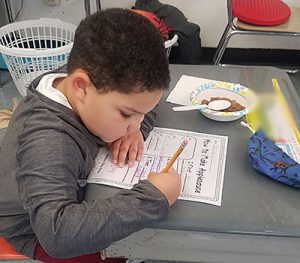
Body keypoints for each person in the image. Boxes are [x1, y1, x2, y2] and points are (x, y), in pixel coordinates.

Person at [0, 8, 181, 263]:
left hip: (74, 193)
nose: (134, 123)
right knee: (136, 249)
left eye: (142, 113)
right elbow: (58, 235)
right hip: (33, 232)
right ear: (81, 87)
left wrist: (137, 128)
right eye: (127, 114)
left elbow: (145, 99)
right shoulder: (49, 140)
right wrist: (154, 198)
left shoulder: (89, 77)